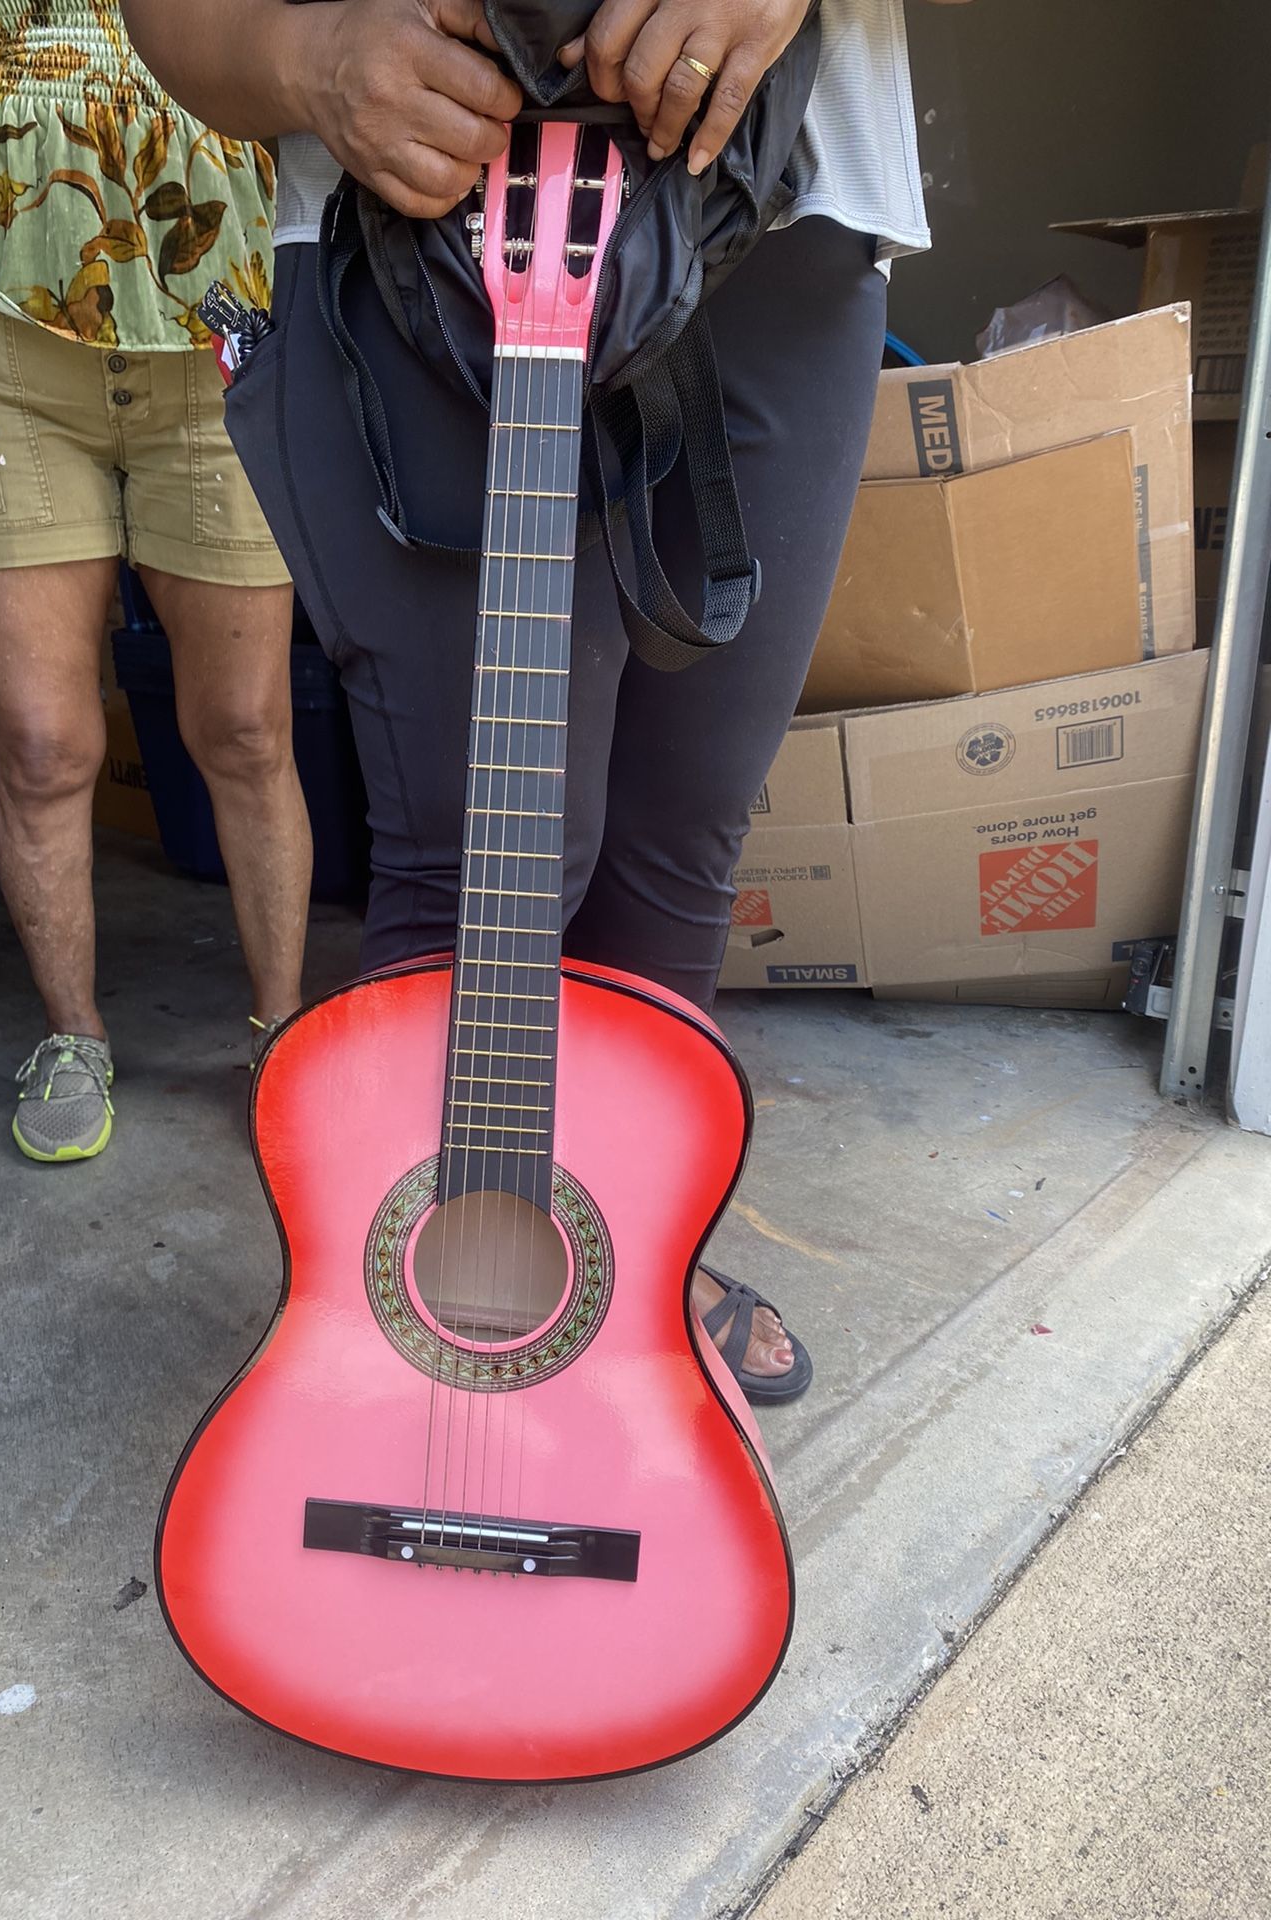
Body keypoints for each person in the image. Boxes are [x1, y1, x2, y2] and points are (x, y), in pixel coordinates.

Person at [119, 0, 966, 1396]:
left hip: (781, 199)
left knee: (677, 833)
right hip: (411, 219)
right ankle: (423, 1321)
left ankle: (631, 1255)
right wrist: (302, 58)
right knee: (480, 856)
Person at [0, 0, 314, 1165]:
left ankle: (285, 1031)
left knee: (246, 727)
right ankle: (73, 1035)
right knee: (41, 748)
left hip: (222, 330)